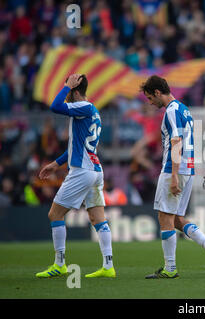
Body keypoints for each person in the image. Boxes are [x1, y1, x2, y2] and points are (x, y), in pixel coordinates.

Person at [140, 75, 205, 279]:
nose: (151, 103)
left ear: (158, 93)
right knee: (176, 219)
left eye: (151, 98)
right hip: (189, 169)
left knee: (164, 217)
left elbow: (176, 142)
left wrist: (174, 175)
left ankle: (170, 269)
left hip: (174, 169)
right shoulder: (184, 109)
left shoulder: (171, 111)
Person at [36, 74, 115, 278]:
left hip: (82, 171)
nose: (66, 97)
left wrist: (65, 86)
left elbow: (55, 106)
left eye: (69, 93)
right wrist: (56, 164)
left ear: (75, 92)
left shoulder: (83, 107)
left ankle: (60, 264)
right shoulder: (92, 111)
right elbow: (75, 146)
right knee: (98, 218)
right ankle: (108, 266)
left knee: (55, 214)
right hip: (95, 171)